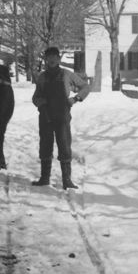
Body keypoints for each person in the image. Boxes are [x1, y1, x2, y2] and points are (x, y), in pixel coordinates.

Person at [31, 46, 90, 189]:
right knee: (45, 146)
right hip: (45, 116)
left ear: (58, 59)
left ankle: (67, 180)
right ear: (45, 59)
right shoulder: (42, 77)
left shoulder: (67, 74)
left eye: (54, 57)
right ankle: (44, 178)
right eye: (48, 57)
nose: (51, 60)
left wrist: (75, 99)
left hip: (62, 116)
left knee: (64, 146)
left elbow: (85, 87)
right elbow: (35, 97)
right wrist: (41, 103)